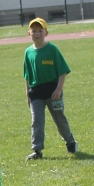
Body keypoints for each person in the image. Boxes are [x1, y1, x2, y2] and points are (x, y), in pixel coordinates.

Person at [23, 18, 77, 159]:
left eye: (40, 31)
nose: (37, 34)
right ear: (29, 33)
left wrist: (59, 89)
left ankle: (70, 141)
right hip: (36, 92)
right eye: (34, 31)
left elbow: (62, 71)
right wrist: (28, 94)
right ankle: (37, 150)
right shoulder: (28, 52)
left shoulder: (52, 50)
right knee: (37, 121)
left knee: (59, 118)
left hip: (53, 91)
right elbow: (27, 76)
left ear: (46, 33)